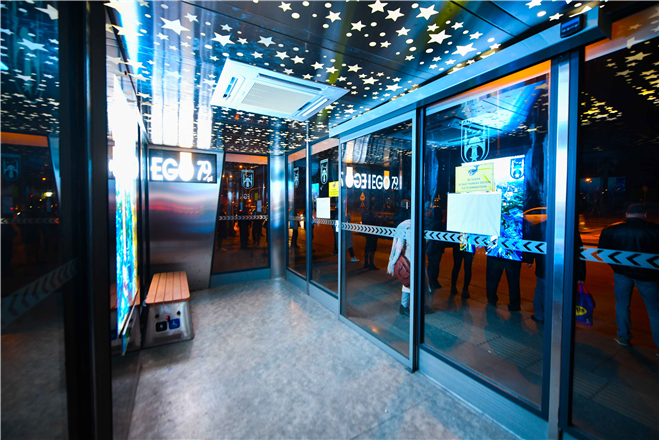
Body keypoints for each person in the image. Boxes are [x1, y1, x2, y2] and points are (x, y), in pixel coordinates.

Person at [598, 204, 659, 352]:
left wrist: (616, 267)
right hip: (648, 276)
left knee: (622, 304)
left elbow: (603, 252)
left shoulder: (611, 229)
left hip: (622, 273)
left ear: (626, 214)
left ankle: (623, 336)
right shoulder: (655, 230)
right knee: (654, 310)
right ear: (645, 215)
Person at [525, 221, 586, 323]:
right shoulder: (569, 227)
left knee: (541, 290)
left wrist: (530, 259)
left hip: (543, 267)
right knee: (559, 292)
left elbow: (530, 244)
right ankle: (558, 317)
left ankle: (540, 315)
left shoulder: (538, 227)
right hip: (562, 267)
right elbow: (578, 251)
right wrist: (581, 274)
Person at [388, 219, 432, 316]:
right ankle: (404, 306)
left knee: (420, 281)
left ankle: (420, 305)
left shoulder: (416, 226)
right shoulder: (408, 227)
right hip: (410, 259)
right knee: (409, 282)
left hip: (416, 257)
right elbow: (408, 244)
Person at [426, 206, 446, 290]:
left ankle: (430, 281)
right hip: (436, 248)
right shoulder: (439, 224)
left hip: (429, 247)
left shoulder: (429, 222)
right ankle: (433, 282)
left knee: (431, 264)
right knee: (435, 265)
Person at [361, 201, 379, 270]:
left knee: (367, 247)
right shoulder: (373, 215)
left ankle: (366, 263)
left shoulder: (364, 214)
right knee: (372, 248)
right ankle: (371, 263)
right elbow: (377, 223)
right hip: (373, 233)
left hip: (367, 233)